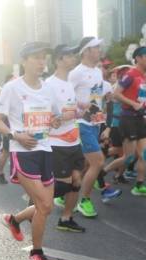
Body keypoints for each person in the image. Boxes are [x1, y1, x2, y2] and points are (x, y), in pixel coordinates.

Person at [0, 41, 58, 260]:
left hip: (46, 150)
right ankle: (36, 254)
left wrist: (57, 120)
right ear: (24, 61)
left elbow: (55, 118)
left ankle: (14, 220)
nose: (42, 62)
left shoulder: (49, 88)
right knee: (44, 203)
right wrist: (15, 135)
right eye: (36, 57)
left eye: (44, 57)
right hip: (23, 151)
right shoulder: (12, 88)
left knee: (46, 208)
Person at [68, 37, 121, 218]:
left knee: (85, 164)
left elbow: (95, 97)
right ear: (87, 51)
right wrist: (83, 107)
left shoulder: (97, 71)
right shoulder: (76, 73)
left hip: (94, 124)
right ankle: (85, 201)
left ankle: (65, 193)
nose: (100, 49)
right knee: (98, 161)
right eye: (96, 47)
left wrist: (102, 120)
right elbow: (65, 96)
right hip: (80, 123)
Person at [45, 44, 86, 232]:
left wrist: (82, 111)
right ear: (58, 60)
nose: (74, 58)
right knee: (62, 186)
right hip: (57, 143)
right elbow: (42, 117)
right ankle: (31, 208)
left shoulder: (69, 83)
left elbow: (72, 110)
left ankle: (66, 218)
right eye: (69, 55)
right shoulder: (48, 85)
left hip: (74, 141)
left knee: (77, 180)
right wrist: (61, 118)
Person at [114, 46, 146, 197]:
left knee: (144, 155)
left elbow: (143, 95)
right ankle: (101, 173)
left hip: (139, 119)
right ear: (138, 58)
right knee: (129, 157)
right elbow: (116, 94)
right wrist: (133, 104)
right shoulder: (130, 74)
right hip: (128, 118)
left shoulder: (143, 76)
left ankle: (139, 185)